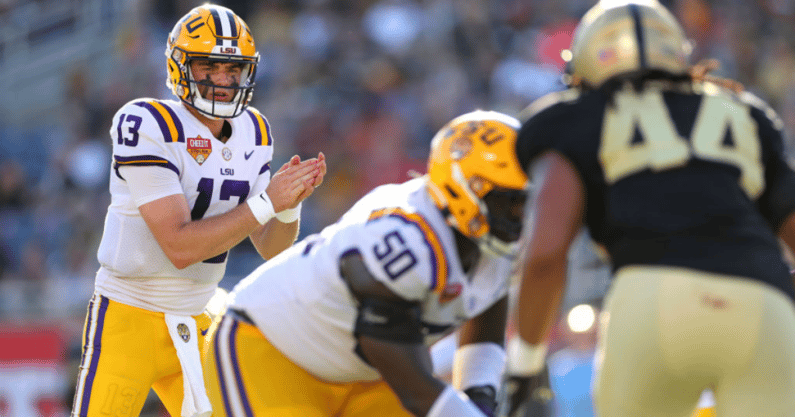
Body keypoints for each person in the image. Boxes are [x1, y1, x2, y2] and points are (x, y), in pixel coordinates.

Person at [500, 1, 795, 417]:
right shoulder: (744, 112)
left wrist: (525, 364)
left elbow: (546, 252)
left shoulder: (573, 118)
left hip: (652, 300)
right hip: (764, 304)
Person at [70, 4, 326, 417]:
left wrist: (287, 209)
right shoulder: (148, 122)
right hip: (129, 316)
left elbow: (272, 248)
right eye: (210, 67)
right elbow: (179, 246)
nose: (224, 80)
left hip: (197, 314)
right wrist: (266, 203)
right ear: (181, 66)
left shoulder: (255, 129)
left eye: (233, 69)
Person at [201, 110, 528, 417]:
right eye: (508, 201)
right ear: (463, 187)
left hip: (365, 373)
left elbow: (484, 320)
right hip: (270, 350)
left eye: (526, 200)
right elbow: (412, 385)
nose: (519, 215)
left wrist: (480, 401)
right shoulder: (404, 236)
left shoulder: (491, 247)